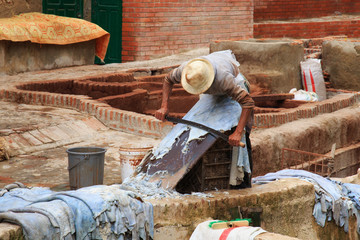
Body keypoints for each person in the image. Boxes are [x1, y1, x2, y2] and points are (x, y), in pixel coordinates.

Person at [155, 50, 255, 188]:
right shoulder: (187, 70)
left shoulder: (224, 79)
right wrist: (164, 107)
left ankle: (243, 181)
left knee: (240, 129)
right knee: (200, 126)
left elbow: (248, 103)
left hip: (235, 89)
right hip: (214, 88)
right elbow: (168, 80)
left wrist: (237, 132)